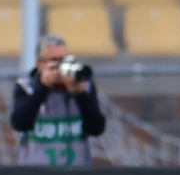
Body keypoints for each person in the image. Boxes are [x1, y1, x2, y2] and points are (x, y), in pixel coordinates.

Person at [10, 35, 107, 167]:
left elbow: (96, 129)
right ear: (39, 64)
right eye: (55, 61)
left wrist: (81, 94)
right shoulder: (26, 87)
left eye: (65, 60)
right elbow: (19, 123)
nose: (62, 66)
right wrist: (43, 88)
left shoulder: (84, 86)